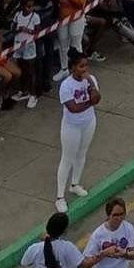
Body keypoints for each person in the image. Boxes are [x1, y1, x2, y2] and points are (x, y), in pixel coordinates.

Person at [55, 51, 101, 213]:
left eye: (86, 65)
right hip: (71, 126)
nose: (84, 69)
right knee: (67, 158)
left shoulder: (90, 80)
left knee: (82, 153)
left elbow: (98, 97)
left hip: (89, 122)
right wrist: (90, 102)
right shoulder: (66, 86)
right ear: (73, 67)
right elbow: (73, 108)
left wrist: (90, 84)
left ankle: (74, 184)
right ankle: (60, 197)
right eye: (81, 66)